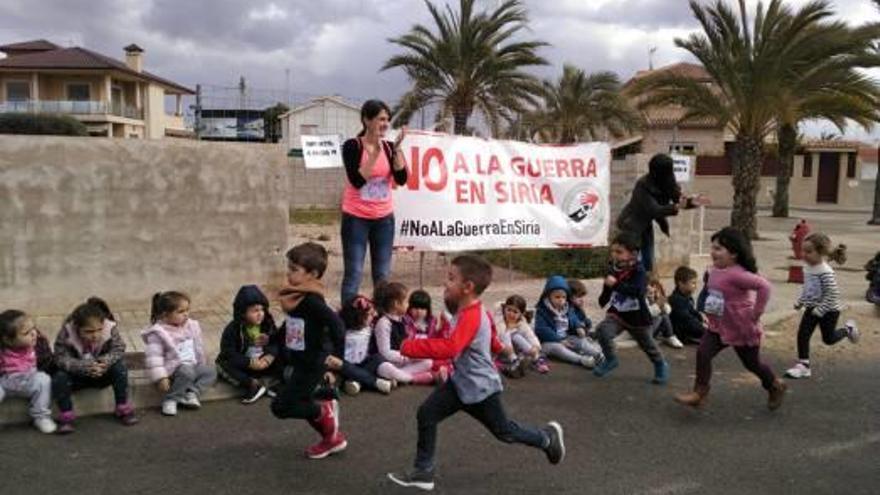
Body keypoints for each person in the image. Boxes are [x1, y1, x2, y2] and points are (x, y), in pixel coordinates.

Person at [387, 255, 565, 491]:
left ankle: (546, 439)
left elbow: (451, 347)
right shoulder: (471, 310)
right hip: (461, 383)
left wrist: (408, 346)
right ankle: (423, 471)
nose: (444, 283)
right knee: (427, 414)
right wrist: (502, 351)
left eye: (451, 278)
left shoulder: (471, 314)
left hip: (480, 389)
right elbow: (489, 338)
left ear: (467, 287)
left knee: (505, 431)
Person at [675, 227, 787, 410]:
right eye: (712, 247)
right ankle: (699, 393)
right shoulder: (714, 270)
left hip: (741, 327)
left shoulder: (738, 274)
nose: (713, 252)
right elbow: (712, 292)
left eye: (719, 248)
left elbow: (765, 287)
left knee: (752, 364)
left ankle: (775, 385)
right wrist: (705, 311)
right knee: (703, 353)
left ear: (734, 253)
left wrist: (757, 312)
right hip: (719, 326)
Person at [270, 242, 347, 459]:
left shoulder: (312, 300)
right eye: (289, 267)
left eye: (294, 269)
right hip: (301, 362)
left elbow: (337, 326)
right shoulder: (298, 298)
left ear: (312, 274)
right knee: (296, 402)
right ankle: (331, 438)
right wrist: (272, 337)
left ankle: (324, 412)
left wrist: (338, 359)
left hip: (312, 363)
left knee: (281, 407)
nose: (288, 273)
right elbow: (291, 324)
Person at [340, 99, 409, 304]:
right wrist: (374, 154)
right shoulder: (352, 146)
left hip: (384, 219)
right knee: (354, 273)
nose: (385, 124)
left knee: (382, 275)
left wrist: (395, 150)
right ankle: (349, 320)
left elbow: (402, 179)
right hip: (356, 218)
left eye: (387, 119)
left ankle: (382, 319)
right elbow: (357, 181)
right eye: (380, 119)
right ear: (366, 120)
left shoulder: (389, 148)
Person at [592, 232, 669, 384]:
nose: (614, 255)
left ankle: (660, 364)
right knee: (602, 331)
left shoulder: (639, 271)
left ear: (633, 254)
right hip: (618, 314)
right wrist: (604, 297)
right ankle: (611, 359)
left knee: (648, 345)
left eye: (619, 252)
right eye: (613, 251)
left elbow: (637, 291)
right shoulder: (612, 268)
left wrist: (615, 284)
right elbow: (609, 286)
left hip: (637, 317)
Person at [53, 297, 137, 433]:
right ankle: (66, 416)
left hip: (102, 373)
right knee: (59, 377)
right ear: (77, 328)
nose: (95, 335)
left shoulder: (110, 329)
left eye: (99, 330)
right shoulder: (67, 333)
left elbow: (119, 348)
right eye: (89, 332)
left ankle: (123, 408)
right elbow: (60, 358)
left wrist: (104, 362)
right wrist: (84, 367)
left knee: (120, 368)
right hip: (78, 377)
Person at [785, 233, 859, 379]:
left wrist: (821, 310)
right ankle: (804, 365)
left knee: (829, 339)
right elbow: (809, 289)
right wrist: (801, 302)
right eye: (803, 251)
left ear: (820, 252)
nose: (804, 255)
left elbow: (833, 295)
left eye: (809, 251)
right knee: (803, 334)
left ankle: (848, 329)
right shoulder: (807, 268)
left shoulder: (826, 272)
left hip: (829, 310)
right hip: (812, 308)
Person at [616, 153, 699, 273]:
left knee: (648, 258)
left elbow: (678, 199)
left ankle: (646, 283)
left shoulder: (668, 181)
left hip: (645, 223)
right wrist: (676, 206)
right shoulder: (643, 184)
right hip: (630, 223)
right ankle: (631, 282)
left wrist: (693, 202)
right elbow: (654, 210)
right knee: (633, 258)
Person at [142, 291, 217, 417]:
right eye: (181, 312)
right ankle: (171, 399)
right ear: (165, 315)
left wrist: (201, 361)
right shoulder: (159, 333)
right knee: (186, 372)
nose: (186, 314)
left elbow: (197, 346)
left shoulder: (191, 326)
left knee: (211, 371)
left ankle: (191, 393)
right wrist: (161, 377)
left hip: (192, 366)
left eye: (187, 310)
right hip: (172, 370)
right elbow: (154, 358)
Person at [216, 285, 282, 404]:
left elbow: (275, 343)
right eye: (255, 311)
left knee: (285, 353)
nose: (260, 314)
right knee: (222, 363)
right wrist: (249, 362)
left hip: (264, 363)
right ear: (242, 313)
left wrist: (268, 358)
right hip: (247, 366)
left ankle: (272, 384)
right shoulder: (233, 329)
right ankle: (253, 384)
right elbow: (228, 352)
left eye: (262, 310)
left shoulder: (267, 324)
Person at [0, 310, 56, 433]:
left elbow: (48, 359)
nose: (33, 334)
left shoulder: (38, 344)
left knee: (44, 380)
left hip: (29, 382)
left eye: (34, 329)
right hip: (6, 384)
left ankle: (41, 417)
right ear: (8, 340)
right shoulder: (3, 351)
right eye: (26, 333)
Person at [534, 275, 601, 368]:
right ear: (548, 296)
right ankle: (581, 359)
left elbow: (573, 319)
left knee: (580, 341)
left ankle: (597, 354)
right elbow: (541, 329)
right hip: (549, 342)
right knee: (558, 348)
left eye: (563, 297)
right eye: (557, 297)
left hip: (566, 337)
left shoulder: (567, 308)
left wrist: (578, 327)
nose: (561, 300)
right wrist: (559, 340)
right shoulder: (542, 310)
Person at [338, 294, 393, 395]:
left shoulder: (369, 328)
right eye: (371, 314)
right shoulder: (343, 330)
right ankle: (375, 382)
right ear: (359, 317)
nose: (375, 315)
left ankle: (356, 382)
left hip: (363, 363)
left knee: (378, 357)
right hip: (346, 365)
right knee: (343, 365)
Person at [668, 266, 707, 345]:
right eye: (693, 283)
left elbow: (692, 312)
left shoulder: (686, 297)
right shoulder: (676, 300)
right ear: (681, 284)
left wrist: (700, 315)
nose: (695, 286)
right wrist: (705, 329)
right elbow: (688, 320)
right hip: (683, 334)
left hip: (690, 328)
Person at [647, 278, 684, 348]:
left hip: (655, 329)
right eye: (649, 292)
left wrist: (661, 303)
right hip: (645, 330)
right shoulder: (643, 300)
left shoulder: (657, 297)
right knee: (660, 316)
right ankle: (669, 335)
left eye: (654, 291)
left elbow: (668, 310)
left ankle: (670, 336)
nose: (651, 294)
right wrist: (656, 305)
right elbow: (648, 314)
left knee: (664, 314)